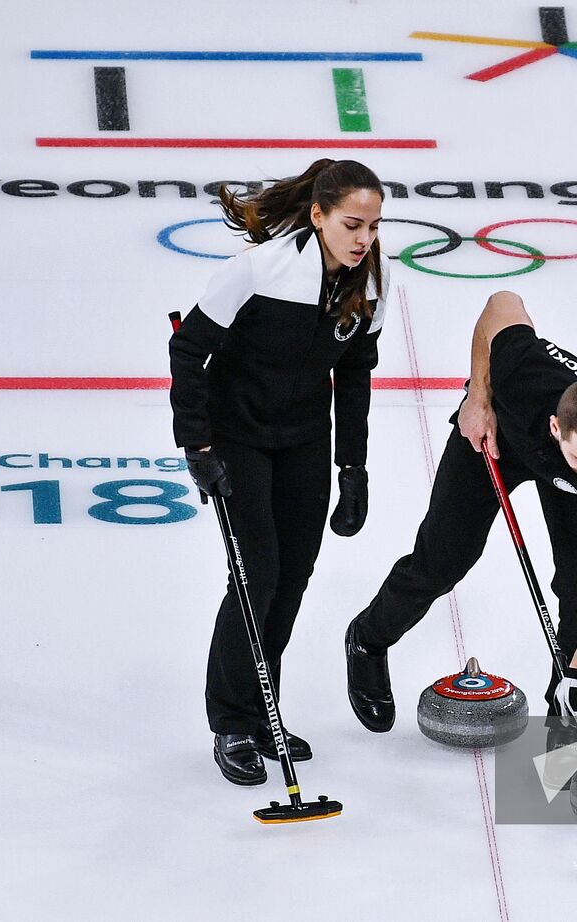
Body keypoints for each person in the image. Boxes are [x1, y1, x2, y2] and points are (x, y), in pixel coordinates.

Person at [169, 159, 389, 785]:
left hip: (305, 441)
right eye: (352, 225)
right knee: (256, 573)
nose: (364, 240)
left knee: (291, 578)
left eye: (373, 227)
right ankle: (232, 721)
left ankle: (265, 709)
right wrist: (198, 445)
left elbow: (353, 375)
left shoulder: (372, 278)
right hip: (236, 437)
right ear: (318, 216)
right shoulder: (258, 270)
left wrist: (354, 467)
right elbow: (188, 352)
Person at [344, 290, 577, 731]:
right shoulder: (524, 371)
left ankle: (566, 717)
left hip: (562, 474)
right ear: (556, 428)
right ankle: (367, 640)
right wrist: (478, 398)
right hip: (499, 439)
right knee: (443, 560)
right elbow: (500, 305)